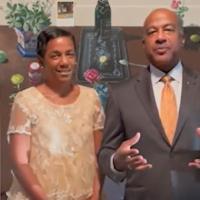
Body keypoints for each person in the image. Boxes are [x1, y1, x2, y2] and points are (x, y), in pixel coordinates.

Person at [98, 8, 200, 200]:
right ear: (144, 43)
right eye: (152, 32)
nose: (160, 37)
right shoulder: (121, 94)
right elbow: (106, 153)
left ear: (182, 38)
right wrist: (117, 161)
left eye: (168, 29)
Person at [7, 27, 105, 200]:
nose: (64, 62)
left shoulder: (91, 98)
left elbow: (99, 156)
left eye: (70, 54)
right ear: (41, 61)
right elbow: (20, 162)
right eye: (55, 55)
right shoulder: (26, 101)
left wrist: (96, 194)